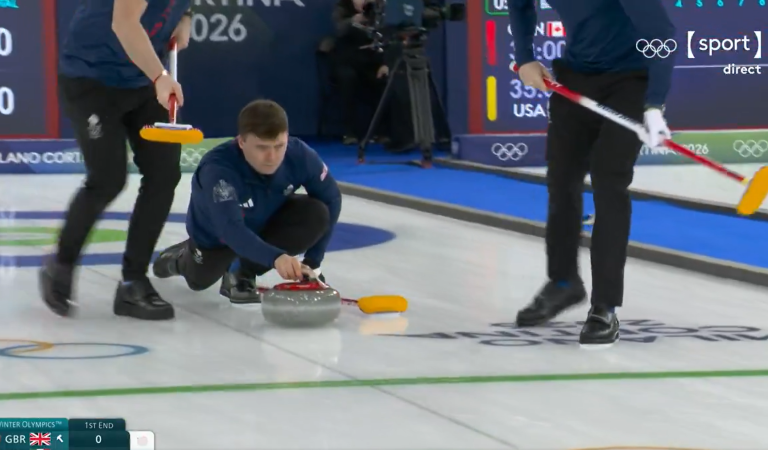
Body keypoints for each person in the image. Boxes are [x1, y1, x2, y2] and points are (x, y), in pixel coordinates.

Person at [508, 0, 676, 345]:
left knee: (609, 180)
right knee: (561, 179)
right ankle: (563, 283)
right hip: (576, 75)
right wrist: (524, 57)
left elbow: (662, 34)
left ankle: (605, 305)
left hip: (631, 80)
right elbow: (520, 4)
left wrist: (654, 105)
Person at [39, 0, 192, 321]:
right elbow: (124, 23)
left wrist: (186, 15)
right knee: (107, 179)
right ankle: (61, 263)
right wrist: (160, 76)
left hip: (143, 80)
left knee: (163, 175)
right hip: (92, 78)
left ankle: (133, 282)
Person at [152, 100, 342, 303]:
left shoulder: (299, 155)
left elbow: (331, 198)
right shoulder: (218, 169)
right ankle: (179, 258)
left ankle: (242, 272)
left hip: (262, 222)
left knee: (316, 213)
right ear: (241, 141)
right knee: (199, 281)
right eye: (262, 147)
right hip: (217, 238)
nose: (272, 157)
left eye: (279, 146)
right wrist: (276, 258)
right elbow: (230, 229)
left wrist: (313, 261)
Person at [331, 0, 390, 145]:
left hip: (371, 63)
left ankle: (381, 131)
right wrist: (353, 21)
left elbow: (388, 37)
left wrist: (385, 64)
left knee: (383, 81)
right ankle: (349, 132)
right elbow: (339, 29)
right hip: (347, 61)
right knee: (347, 79)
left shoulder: (380, 11)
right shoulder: (342, 10)